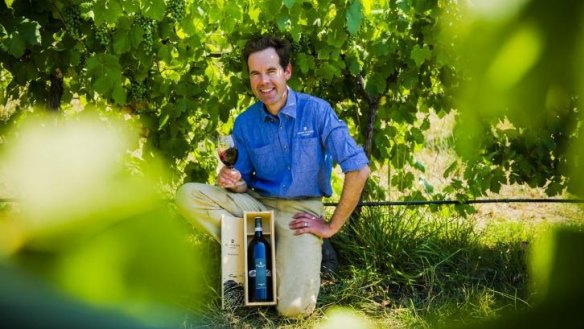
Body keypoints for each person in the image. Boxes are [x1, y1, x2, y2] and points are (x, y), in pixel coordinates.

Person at [175, 35, 370, 317]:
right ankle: (257, 252)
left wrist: (331, 226)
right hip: (257, 207)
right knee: (187, 195)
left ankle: (279, 256)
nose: (263, 81)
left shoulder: (316, 111)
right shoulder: (245, 122)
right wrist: (235, 181)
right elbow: (241, 179)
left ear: (287, 71)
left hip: (300, 215)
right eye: (255, 73)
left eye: (270, 71)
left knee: (294, 310)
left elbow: (359, 168)